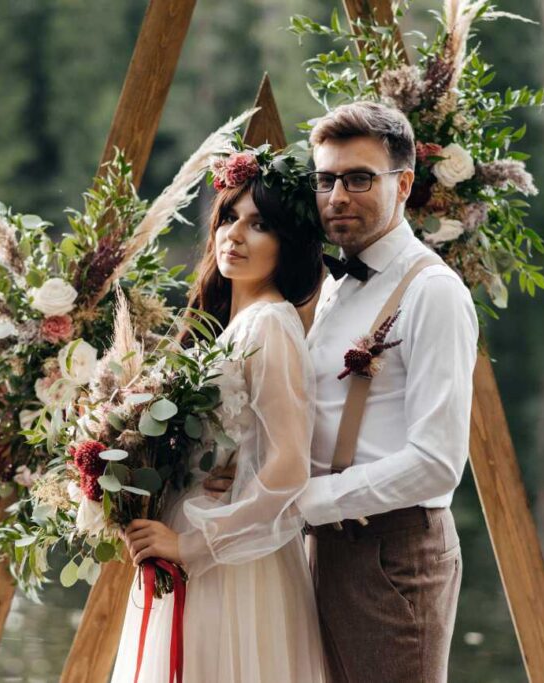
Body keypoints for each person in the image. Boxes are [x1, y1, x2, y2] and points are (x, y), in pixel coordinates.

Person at [207, 101, 479, 682]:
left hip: (393, 553)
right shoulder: (336, 287)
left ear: (403, 184)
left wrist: (296, 502)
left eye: (359, 179)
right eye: (326, 179)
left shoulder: (433, 292)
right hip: (321, 546)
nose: (337, 196)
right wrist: (248, 475)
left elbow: (437, 463)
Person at [109, 147, 328, 683]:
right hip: (193, 535)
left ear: (287, 243)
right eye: (229, 216)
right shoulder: (231, 324)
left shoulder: (271, 326)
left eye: (259, 225)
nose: (234, 234)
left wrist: (193, 544)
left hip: (233, 558)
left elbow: (288, 465)